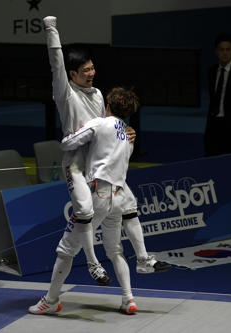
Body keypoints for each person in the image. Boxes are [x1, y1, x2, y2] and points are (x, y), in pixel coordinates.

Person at [43, 16, 168, 284]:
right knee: (85, 211)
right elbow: (56, 63)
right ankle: (92, 263)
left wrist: (125, 131)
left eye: (92, 68)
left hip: (97, 161)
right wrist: (51, 29)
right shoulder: (65, 93)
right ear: (72, 74)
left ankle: (144, 259)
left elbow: (106, 126)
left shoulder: (98, 94)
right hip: (75, 163)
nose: (90, 73)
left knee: (129, 202)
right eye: (84, 70)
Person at [29, 87, 143, 315]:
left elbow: (67, 144)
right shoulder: (128, 135)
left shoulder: (100, 124)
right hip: (118, 198)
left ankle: (51, 301)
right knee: (114, 248)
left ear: (108, 106)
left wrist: (77, 133)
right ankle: (128, 299)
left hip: (98, 194)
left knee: (66, 249)